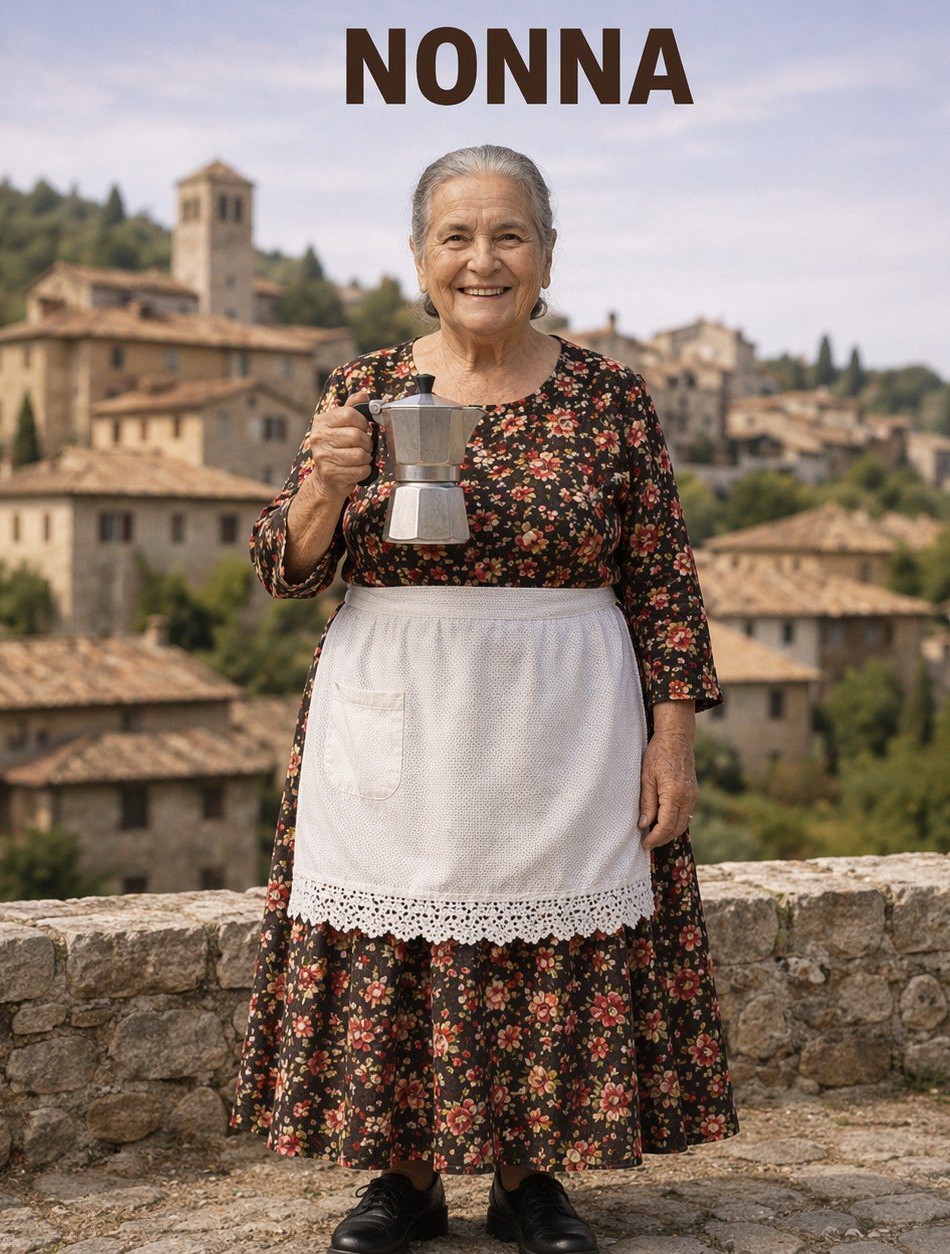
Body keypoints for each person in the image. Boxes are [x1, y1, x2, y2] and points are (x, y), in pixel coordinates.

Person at [229, 143, 739, 1254]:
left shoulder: (609, 397)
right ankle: (402, 1181)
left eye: (508, 235)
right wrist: (325, 483)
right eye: (456, 237)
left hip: (568, 717)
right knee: (397, 934)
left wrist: (674, 740)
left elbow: (662, 577)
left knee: (544, 939)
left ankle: (527, 1178)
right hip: (398, 700)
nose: (483, 260)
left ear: (546, 256)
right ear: (422, 260)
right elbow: (283, 566)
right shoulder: (361, 390)